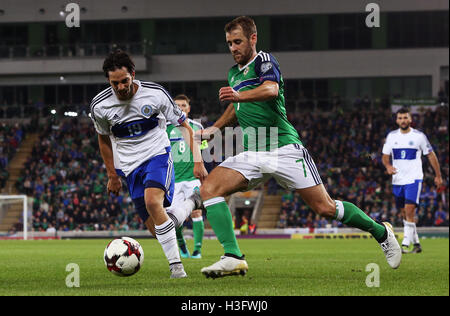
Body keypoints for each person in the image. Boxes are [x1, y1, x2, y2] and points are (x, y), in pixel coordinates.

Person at [173, 16, 401, 279]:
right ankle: (233, 256)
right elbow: (236, 108)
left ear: (252, 39)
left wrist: (238, 95)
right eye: (229, 43)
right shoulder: (233, 73)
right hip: (252, 151)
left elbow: (270, 90)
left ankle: (381, 232)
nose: (233, 48)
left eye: (238, 42)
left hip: (284, 148)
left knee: (325, 208)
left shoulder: (265, 61)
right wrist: (214, 129)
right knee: (210, 188)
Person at [90, 49, 208, 278]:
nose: (121, 87)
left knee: (153, 202)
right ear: (108, 81)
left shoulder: (155, 94)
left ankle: (177, 268)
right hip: (129, 167)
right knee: (158, 229)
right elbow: (103, 138)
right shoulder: (100, 106)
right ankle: (191, 203)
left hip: (157, 155)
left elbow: (185, 126)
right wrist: (112, 175)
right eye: (115, 83)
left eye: (125, 81)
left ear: (133, 74)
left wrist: (197, 161)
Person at [382, 107, 443, 254]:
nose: (403, 120)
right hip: (397, 180)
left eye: (405, 118)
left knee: (409, 210)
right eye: (400, 118)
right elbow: (385, 155)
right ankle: (416, 244)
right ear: (397, 120)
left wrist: (438, 175)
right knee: (404, 213)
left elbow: (431, 155)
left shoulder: (419, 136)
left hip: (414, 179)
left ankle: (405, 244)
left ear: (410, 119)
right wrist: (388, 166)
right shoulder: (391, 136)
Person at [166, 94, 206, 259]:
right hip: (174, 180)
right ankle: (182, 246)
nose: (180, 108)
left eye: (183, 105)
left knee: (196, 212)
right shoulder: (166, 128)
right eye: (177, 106)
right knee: (173, 217)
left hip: (192, 178)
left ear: (188, 108)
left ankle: (197, 250)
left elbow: (203, 151)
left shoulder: (197, 127)